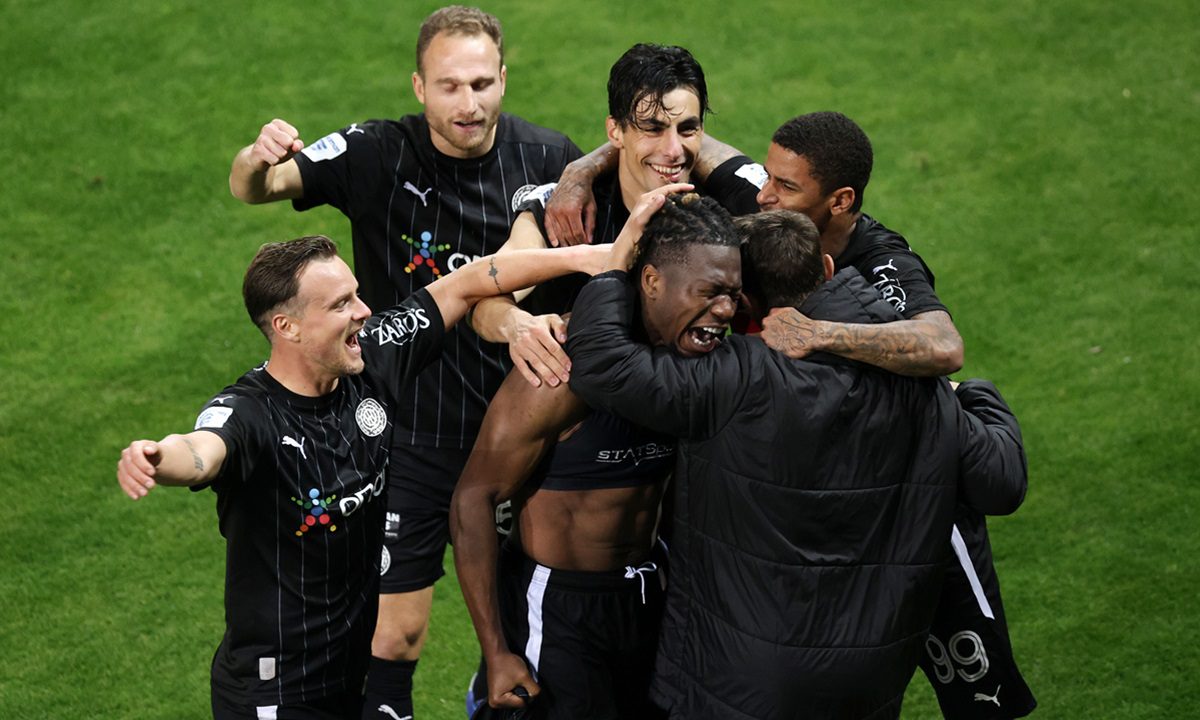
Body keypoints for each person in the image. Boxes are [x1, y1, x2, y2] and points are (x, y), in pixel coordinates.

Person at [553, 112, 1036, 717]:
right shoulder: (922, 386)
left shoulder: (734, 377)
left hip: (741, 678)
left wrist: (615, 265)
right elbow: (1001, 481)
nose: (764, 192)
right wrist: (973, 395)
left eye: (784, 186)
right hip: (868, 678)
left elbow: (605, 365)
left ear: (745, 304)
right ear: (827, 270)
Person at [227, 7, 582, 717]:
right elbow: (254, 188)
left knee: (521, 621)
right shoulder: (374, 152)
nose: (468, 103)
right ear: (419, 87)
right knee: (395, 635)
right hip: (403, 434)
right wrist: (256, 156)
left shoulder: (548, 158)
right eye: (449, 86)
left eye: (481, 83)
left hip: (515, 432)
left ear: (504, 78)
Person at [116, 235, 610, 720]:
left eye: (355, 294)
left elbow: (466, 283)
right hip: (275, 693)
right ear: (287, 327)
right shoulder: (250, 415)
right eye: (340, 304)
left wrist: (588, 257)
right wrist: (157, 459)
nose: (364, 311)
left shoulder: (371, 359)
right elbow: (201, 450)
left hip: (350, 678)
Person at [468, 43, 709, 389]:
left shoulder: (720, 207)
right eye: (652, 129)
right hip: (577, 407)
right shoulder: (559, 211)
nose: (673, 151)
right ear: (615, 132)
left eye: (687, 129)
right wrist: (517, 325)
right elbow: (483, 298)